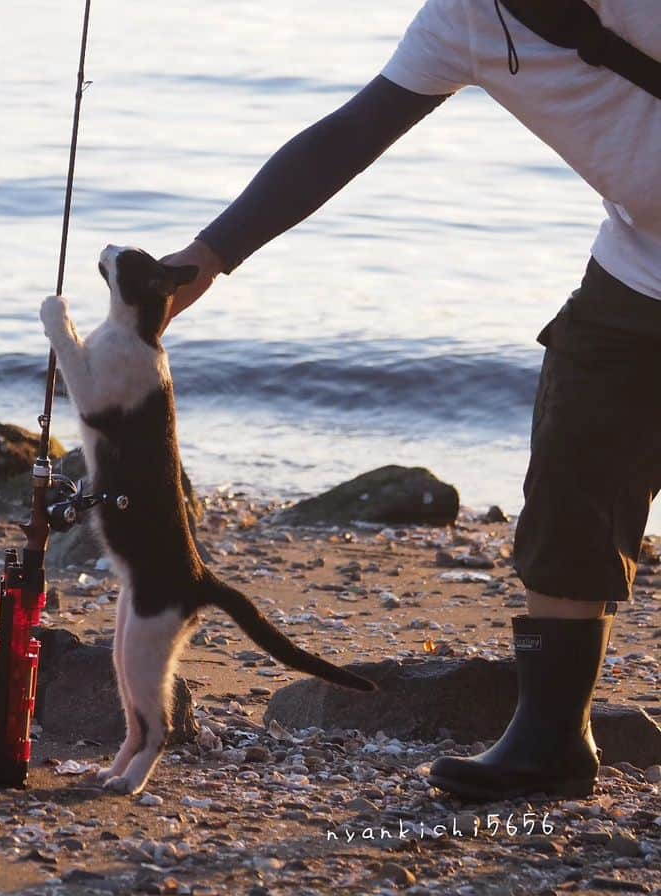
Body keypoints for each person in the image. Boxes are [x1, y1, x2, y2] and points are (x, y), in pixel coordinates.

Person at [162, 0, 660, 801]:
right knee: (574, 469)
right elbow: (351, 135)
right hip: (641, 267)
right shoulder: (464, 19)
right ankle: (551, 736)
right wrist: (211, 255)